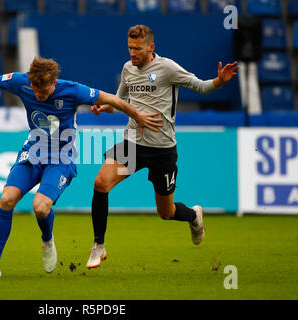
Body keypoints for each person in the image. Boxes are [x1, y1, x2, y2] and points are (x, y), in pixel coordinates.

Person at [0, 57, 163, 279]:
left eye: (44, 90)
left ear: (53, 82)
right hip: (33, 152)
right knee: (7, 199)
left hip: (61, 158)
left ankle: (47, 239)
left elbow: (112, 99)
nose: (39, 95)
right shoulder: (21, 82)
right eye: (35, 90)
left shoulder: (72, 90)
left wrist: (137, 116)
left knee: (40, 207)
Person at [86, 25, 239, 269]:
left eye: (137, 48)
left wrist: (219, 80)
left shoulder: (167, 68)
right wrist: (105, 107)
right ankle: (98, 245)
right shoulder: (128, 69)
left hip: (162, 150)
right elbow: (119, 101)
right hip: (133, 144)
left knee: (166, 212)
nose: (132, 53)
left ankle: (193, 216)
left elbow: (200, 86)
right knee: (100, 183)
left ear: (151, 47)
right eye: (129, 48)